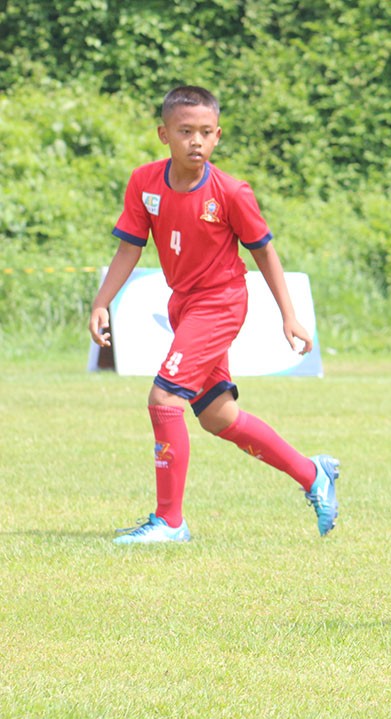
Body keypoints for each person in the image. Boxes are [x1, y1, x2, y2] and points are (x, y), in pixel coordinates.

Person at [89, 85, 339, 544]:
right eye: (186, 131)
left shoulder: (231, 191)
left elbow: (265, 253)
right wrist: (102, 301)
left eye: (205, 132)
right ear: (164, 134)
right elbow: (130, 246)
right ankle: (313, 474)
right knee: (218, 417)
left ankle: (170, 522)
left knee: (164, 399)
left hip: (220, 303)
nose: (196, 141)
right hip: (182, 303)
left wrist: (289, 314)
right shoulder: (144, 182)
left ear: (218, 136)